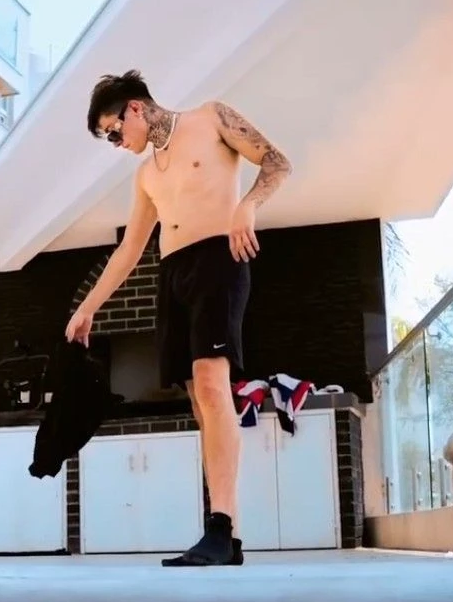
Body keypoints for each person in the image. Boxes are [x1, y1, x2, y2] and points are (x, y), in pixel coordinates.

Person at [65, 69, 292, 566]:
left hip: (219, 258)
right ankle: (227, 536)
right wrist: (88, 307)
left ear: (134, 108)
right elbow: (129, 249)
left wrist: (247, 206)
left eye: (113, 131)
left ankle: (220, 527)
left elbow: (277, 162)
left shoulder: (211, 117)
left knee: (212, 385)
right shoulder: (146, 175)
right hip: (173, 274)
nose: (116, 143)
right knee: (199, 401)